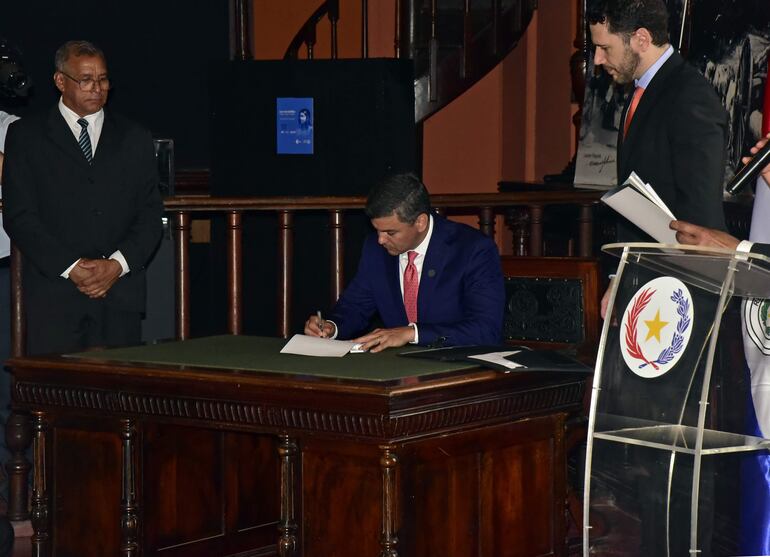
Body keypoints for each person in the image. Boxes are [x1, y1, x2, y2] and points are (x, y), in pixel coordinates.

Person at [2, 40, 163, 356]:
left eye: (103, 79)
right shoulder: (26, 136)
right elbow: (20, 215)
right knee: (57, 397)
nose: (97, 88)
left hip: (119, 293)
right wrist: (71, 267)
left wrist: (116, 265)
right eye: (86, 79)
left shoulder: (135, 137)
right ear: (60, 81)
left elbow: (149, 213)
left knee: (118, 396)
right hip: (54, 294)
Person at [587, 0, 728, 318]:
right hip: (648, 284)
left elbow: (700, 214)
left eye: (604, 48)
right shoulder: (641, 92)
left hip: (682, 294)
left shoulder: (690, 96)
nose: (597, 59)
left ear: (641, 39)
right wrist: (618, 278)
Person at [304, 173, 505, 352]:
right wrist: (331, 327)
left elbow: (486, 330)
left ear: (420, 222)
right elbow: (356, 306)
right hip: (397, 371)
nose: (380, 240)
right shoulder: (375, 249)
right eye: (377, 231)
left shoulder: (473, 250)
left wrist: (412, 333)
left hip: (459, 370)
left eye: (390, 232)